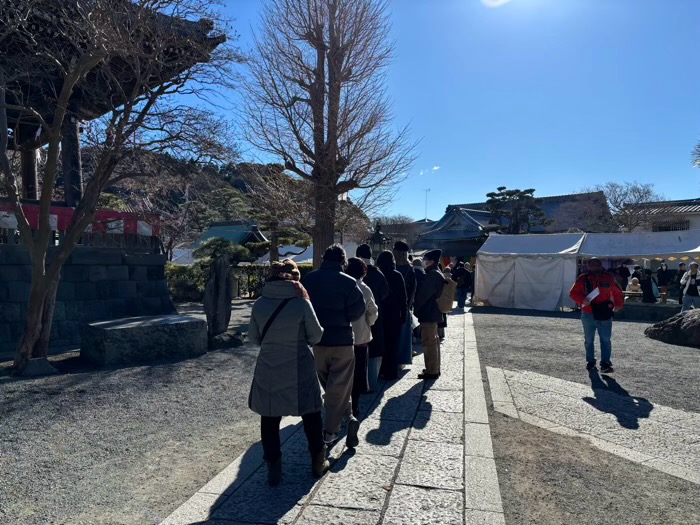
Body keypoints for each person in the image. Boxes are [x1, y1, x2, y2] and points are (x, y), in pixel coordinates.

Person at [248, 261, 329, 485]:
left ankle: (273, 467)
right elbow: (316, 336)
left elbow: (254, 339)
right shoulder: (301, 302)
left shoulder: (260, 304)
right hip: (299, 365)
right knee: (311, 412)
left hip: (268, 365)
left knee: (269, 416)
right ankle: (317, 461)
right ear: (292, 278)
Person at [302, 245, 366, 445]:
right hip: (342, 340)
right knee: (338, 387)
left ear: (323, 258)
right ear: (343, 260)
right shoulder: (349, 282)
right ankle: (331, 432)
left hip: (318, 341)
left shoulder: (309, 279)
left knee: (331, 386)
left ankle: (349, 417)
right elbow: (358, 311)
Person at [569, 257, 624, 374]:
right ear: (588, 267)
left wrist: (619, 304)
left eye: (597, 265)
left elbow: (617, 291)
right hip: (588, 312)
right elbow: (573, 293)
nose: (595, 267)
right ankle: (590, 361)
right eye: (592, 265)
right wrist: (582, 300)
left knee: (605, 339)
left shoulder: (608, 277)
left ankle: (605, 363)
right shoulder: (583, 278)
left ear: (601, 265)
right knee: (589, 339)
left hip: (604, 312)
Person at [344, 257, 379, 445]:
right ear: (363, 272)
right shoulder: (364, 288)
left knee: (341, 373)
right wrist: (368, 324)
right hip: (360, 336)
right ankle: (354, 407)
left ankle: (339, 405)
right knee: (358, 373)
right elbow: (373, 312)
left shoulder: (341, 284)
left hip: (341, 337)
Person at [356, 244, 390, 391]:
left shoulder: (352, 270)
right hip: (375, 316)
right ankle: (371, 382)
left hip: (355, 319)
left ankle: (357, 385)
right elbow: (384, 294)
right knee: (374, 350)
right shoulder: (378, 273)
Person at [413, 249, 445, 380]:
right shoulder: (437, 273)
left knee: (429, 342)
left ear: (431, 261)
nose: (424, 262)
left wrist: (416, 308)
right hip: (434, 312)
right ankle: (434, 368)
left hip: (429, 312)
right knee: (433, 341)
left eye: (425, 260)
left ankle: (432, 370)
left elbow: (423, 295)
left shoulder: (432, 275)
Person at [376, 250, 408, 380]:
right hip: (394, 313)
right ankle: (391, 371)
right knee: (393, 343)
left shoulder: (378, 275)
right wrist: (404, 313)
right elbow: (403, 297)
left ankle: (380, 369)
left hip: (380, 312)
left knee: (380, 341)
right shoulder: (397, 275)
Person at [393, 241, 417, 366]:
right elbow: (413, 289)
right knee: (404, 335)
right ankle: (402, 360)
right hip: (405, 305)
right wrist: (409, 304)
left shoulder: (391, 267)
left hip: (390, 306)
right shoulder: (410, 268)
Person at [412, 258, 426, 344]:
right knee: (419, 317)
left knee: (412, 317)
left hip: (411, 299)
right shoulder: (423, 274)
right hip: (420, 299)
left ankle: (414, 335)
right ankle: (419, 334)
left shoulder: (411, 272)